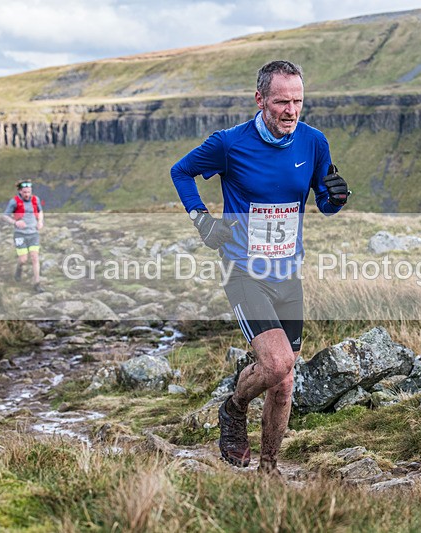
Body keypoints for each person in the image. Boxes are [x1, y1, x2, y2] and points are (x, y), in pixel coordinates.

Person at [171, 60, 350, 475]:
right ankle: (233, 408)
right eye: (281, 102)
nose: (290, 111)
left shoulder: (313, 142)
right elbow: (182, 171)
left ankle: (269, 472)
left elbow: (324, 202)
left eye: (298, 102)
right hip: (243, 271)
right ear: (260, 100)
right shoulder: (229, 144)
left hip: (288, 273)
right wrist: (201, 219)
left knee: (284, 382)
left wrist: (336, 198)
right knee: (275, 364)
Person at [2, 180, 45, 293]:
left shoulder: (36, 199)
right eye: (25, 192)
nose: (27, 194)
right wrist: (15, 223)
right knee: (23, 259)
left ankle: (37, 283)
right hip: (20, 235)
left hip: (33, 233)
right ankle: (19, 268)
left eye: (29, 192)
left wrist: (40, 221)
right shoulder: (14, 202)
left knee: (35, 257)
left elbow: (40, 211)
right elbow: (5, 216)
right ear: (20, 191)